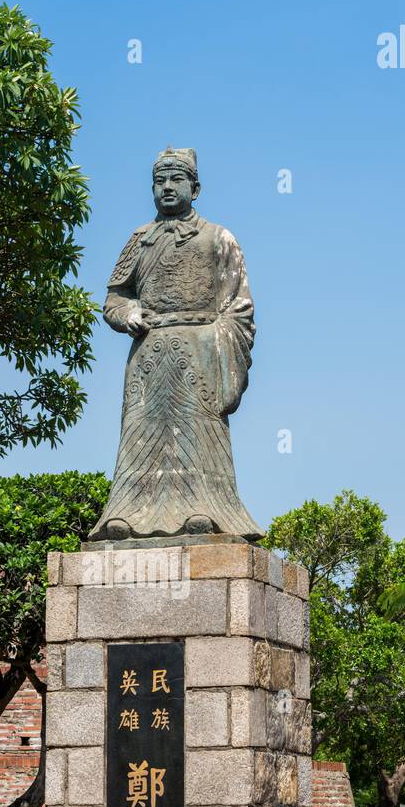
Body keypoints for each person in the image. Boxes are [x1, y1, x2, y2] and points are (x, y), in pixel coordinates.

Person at [89, 147, 262, 543]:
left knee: (197, 428)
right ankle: (127, 516)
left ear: (195, 188)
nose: (167, 187)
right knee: (140, 430)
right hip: (148, 352)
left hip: (201, 351)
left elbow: (240, 305)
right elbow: (114, 298)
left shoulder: (219, 238)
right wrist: (127, 313)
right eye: (159, 181)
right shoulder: (139, 240)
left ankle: (207, 510)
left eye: (176, 179)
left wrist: (221, 348)